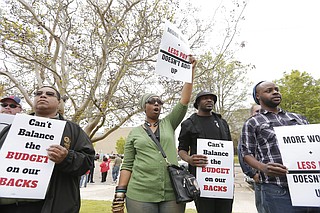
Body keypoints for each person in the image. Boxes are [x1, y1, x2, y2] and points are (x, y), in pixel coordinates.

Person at [111, 56, 196, 213]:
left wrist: (190, 71)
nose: (156, 103)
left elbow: (184, 101)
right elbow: (127, 164)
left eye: (159, 102)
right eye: (152, 101)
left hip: (172, 193)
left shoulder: (169, 123)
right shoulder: (134, 133)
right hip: (139, 194)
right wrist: (119, 194)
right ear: (144, 106)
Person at [0, 86, 95, 213]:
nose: (42, 96)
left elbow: (88, 162)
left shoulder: (73, 131)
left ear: (59, 102)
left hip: (48, 206)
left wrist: (66, 158)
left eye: (49, 94)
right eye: (38, 93)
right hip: (7, 206)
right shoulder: (13, 128)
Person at [240, 81, 320, 213]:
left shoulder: (299, 118)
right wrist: (263, 168)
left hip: (308, 187)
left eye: (276, 89)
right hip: (277, 189)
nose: (275, 92)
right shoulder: (252, 122)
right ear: (258, 96)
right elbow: (246, 154)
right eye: (269, 90)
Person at [178, 91, 234, 213]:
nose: (209, 100)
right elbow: (181, 150)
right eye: (205, 98)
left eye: (212, 99)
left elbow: (229, 149)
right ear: (197, 103)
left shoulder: (222, 122)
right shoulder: (188, 124)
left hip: (223, 180)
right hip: (202, 179)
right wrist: (189, 159)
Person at [237, 104, 266, 213]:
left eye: (262, 111)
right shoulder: (248, 130)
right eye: (257, 111)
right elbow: (243, 155)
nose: (260, 113)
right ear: (251, 114)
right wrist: (253, 174)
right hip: (260, 178)